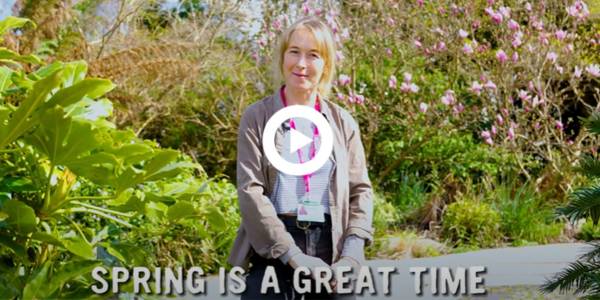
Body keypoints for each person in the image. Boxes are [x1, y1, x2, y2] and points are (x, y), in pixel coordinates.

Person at [229, 16, 373, 299]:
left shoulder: (343, 122)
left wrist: (352, 255)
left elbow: (361, 191)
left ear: (326, 65)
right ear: (282, 57)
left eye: (313, 55)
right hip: (275, 245)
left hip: (333, 247)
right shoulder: (257, 117)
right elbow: (250, 191)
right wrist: (293, 256)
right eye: (294, 51)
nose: (301, 64)